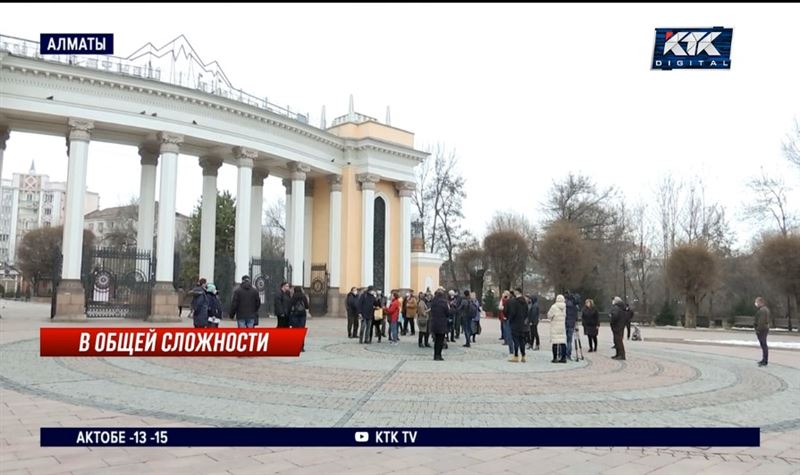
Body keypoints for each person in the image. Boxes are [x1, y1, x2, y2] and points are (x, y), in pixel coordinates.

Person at [507, 288, 529, 362]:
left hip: (515, 323)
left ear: (517, 292)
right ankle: (523, 355)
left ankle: (516, 355)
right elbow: (527, 312)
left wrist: (510, 319)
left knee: (515, 340)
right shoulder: (525, 302)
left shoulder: (515, 302)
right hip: (522, 324)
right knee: (522, 339)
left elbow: (512, 312)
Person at [430, 290, 450, 361]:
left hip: (434, 323)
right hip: (442, 324)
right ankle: (439, 355)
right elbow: (448, 313)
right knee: (440, 341)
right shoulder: (444, 303)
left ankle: (435, 355)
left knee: (436, 341)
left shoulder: (433, 302)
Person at [548, 294, 567, 363]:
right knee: (563, 342)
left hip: (555, 326)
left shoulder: (554, 307)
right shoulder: (564, 307)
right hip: (562, 326)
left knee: (555, 342)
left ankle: (555, 358)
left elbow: (549, 315)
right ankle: (564, 357)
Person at [289, 286, 309, 352]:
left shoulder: (293, 296)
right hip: (302, 315)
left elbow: (290, 305)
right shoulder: (303, 296)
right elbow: (307, 306)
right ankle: (301, 347)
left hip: (295, 314)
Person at [754, 297, 770, 367]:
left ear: (760, 302)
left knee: (764, 345)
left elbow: (761, 321)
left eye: (756, 302)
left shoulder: (763, 310)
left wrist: (758, 329)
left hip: (762, 330)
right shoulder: (764, 309)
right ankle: (764, 359)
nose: (756, 303)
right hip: (763, 329)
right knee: (763, 345)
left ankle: (765, 360)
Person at [565, 293, 579, 359]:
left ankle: (563, 353)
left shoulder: (565, 306)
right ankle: (568, 354)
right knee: (569, 340)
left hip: (565, 323)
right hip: (572, 324)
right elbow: (576, 317)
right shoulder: (575, 306)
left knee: (565, 339)